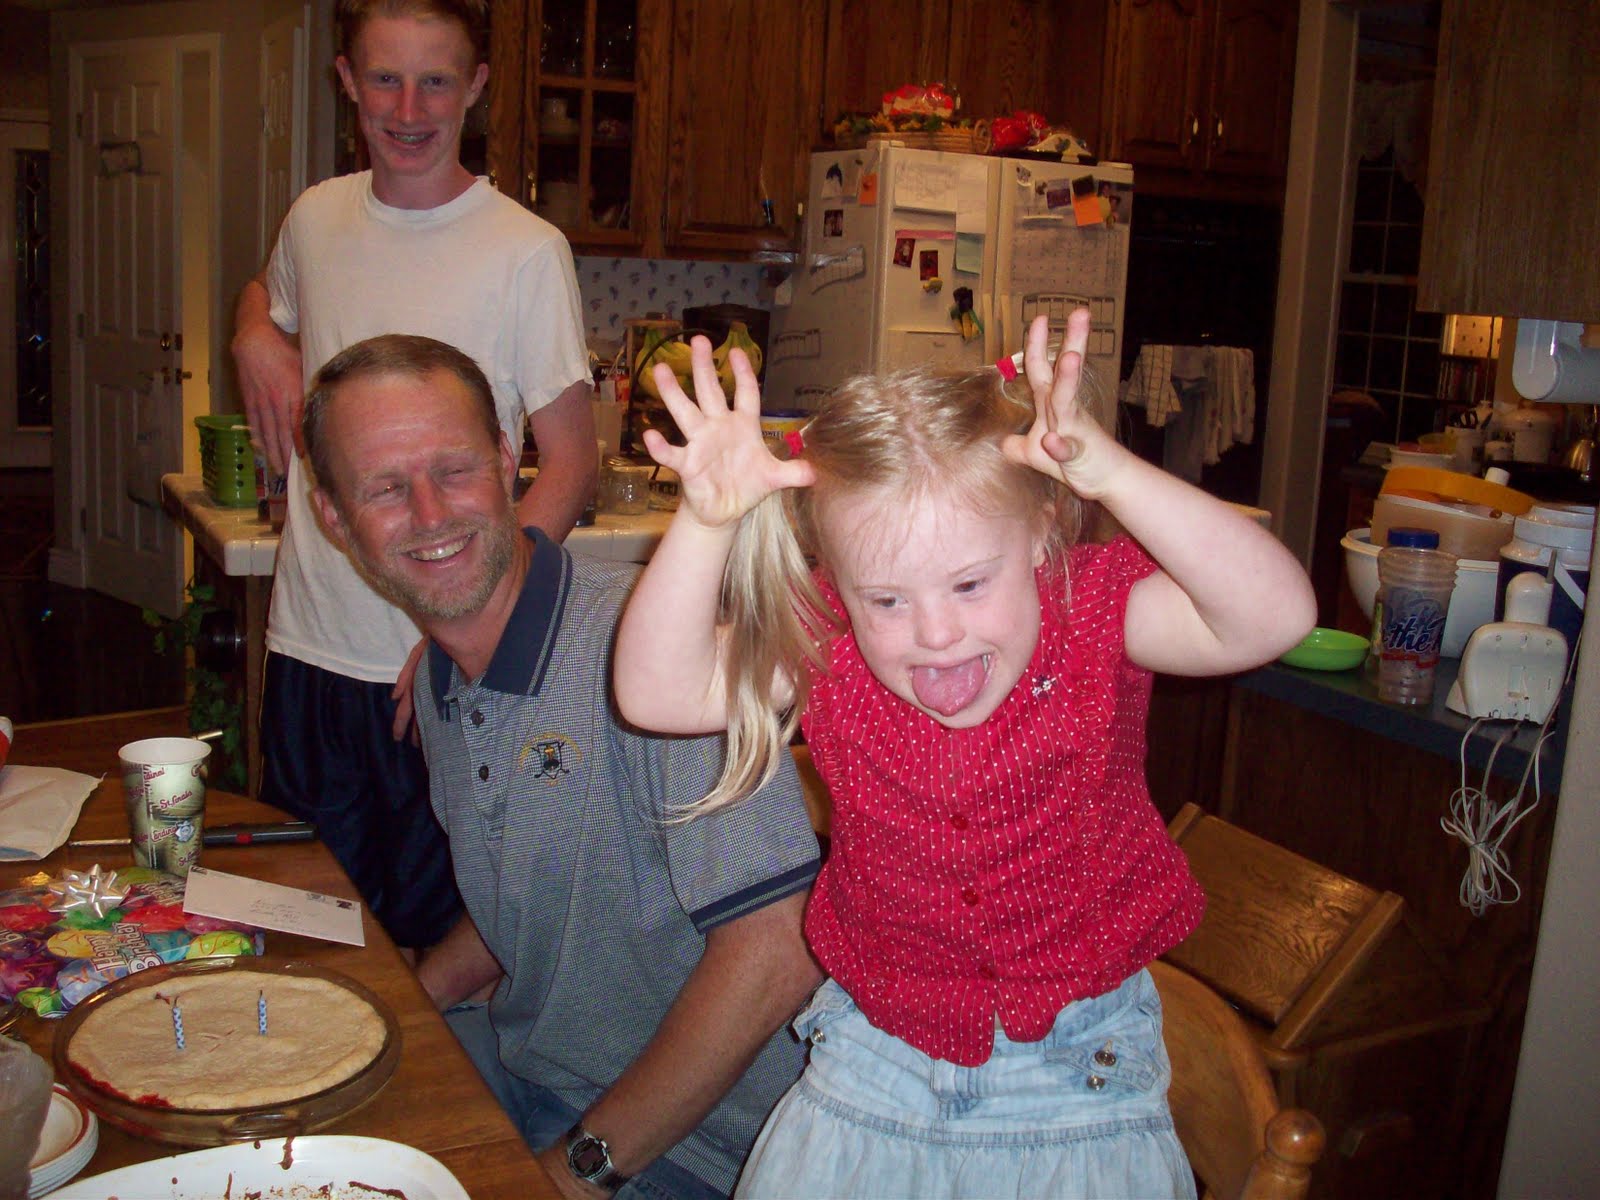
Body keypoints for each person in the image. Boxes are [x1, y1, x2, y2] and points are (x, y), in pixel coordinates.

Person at [611, 308, 1318, 1197]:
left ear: (1043, 535)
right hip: (875, 1063)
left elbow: (1276, 616)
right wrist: (706, 523)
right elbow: (655, 693)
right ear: (837, 582)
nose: (936, 633)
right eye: (887, 600)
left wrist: (1112, 473)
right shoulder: (829, 643)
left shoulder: (1092, 609)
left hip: (1083, 1078)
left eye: (972, 583)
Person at [301, 333, 823, 1200]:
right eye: (385, 489)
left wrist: (576, 1172)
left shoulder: (656, 662)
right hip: (534, 1071)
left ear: (510, 462)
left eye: (454, 470)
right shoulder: (436, 679)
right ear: (332, 517)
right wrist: (404, 1004)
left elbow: (779, 949)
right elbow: (526, 898)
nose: (429, 514)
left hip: (704, 1153)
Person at [230, 0, 597, 952]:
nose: (407, 108)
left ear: (475, 88)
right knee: (306, 926)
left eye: (435, 81)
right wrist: (252, 331)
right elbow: (269, 291)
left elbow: (572, 459)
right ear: (347, 82)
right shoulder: (316, 217)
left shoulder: (524, 250)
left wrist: (469, 626)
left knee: (442, 944)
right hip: (310, 646)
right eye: (384, 78)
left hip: (440, 665)